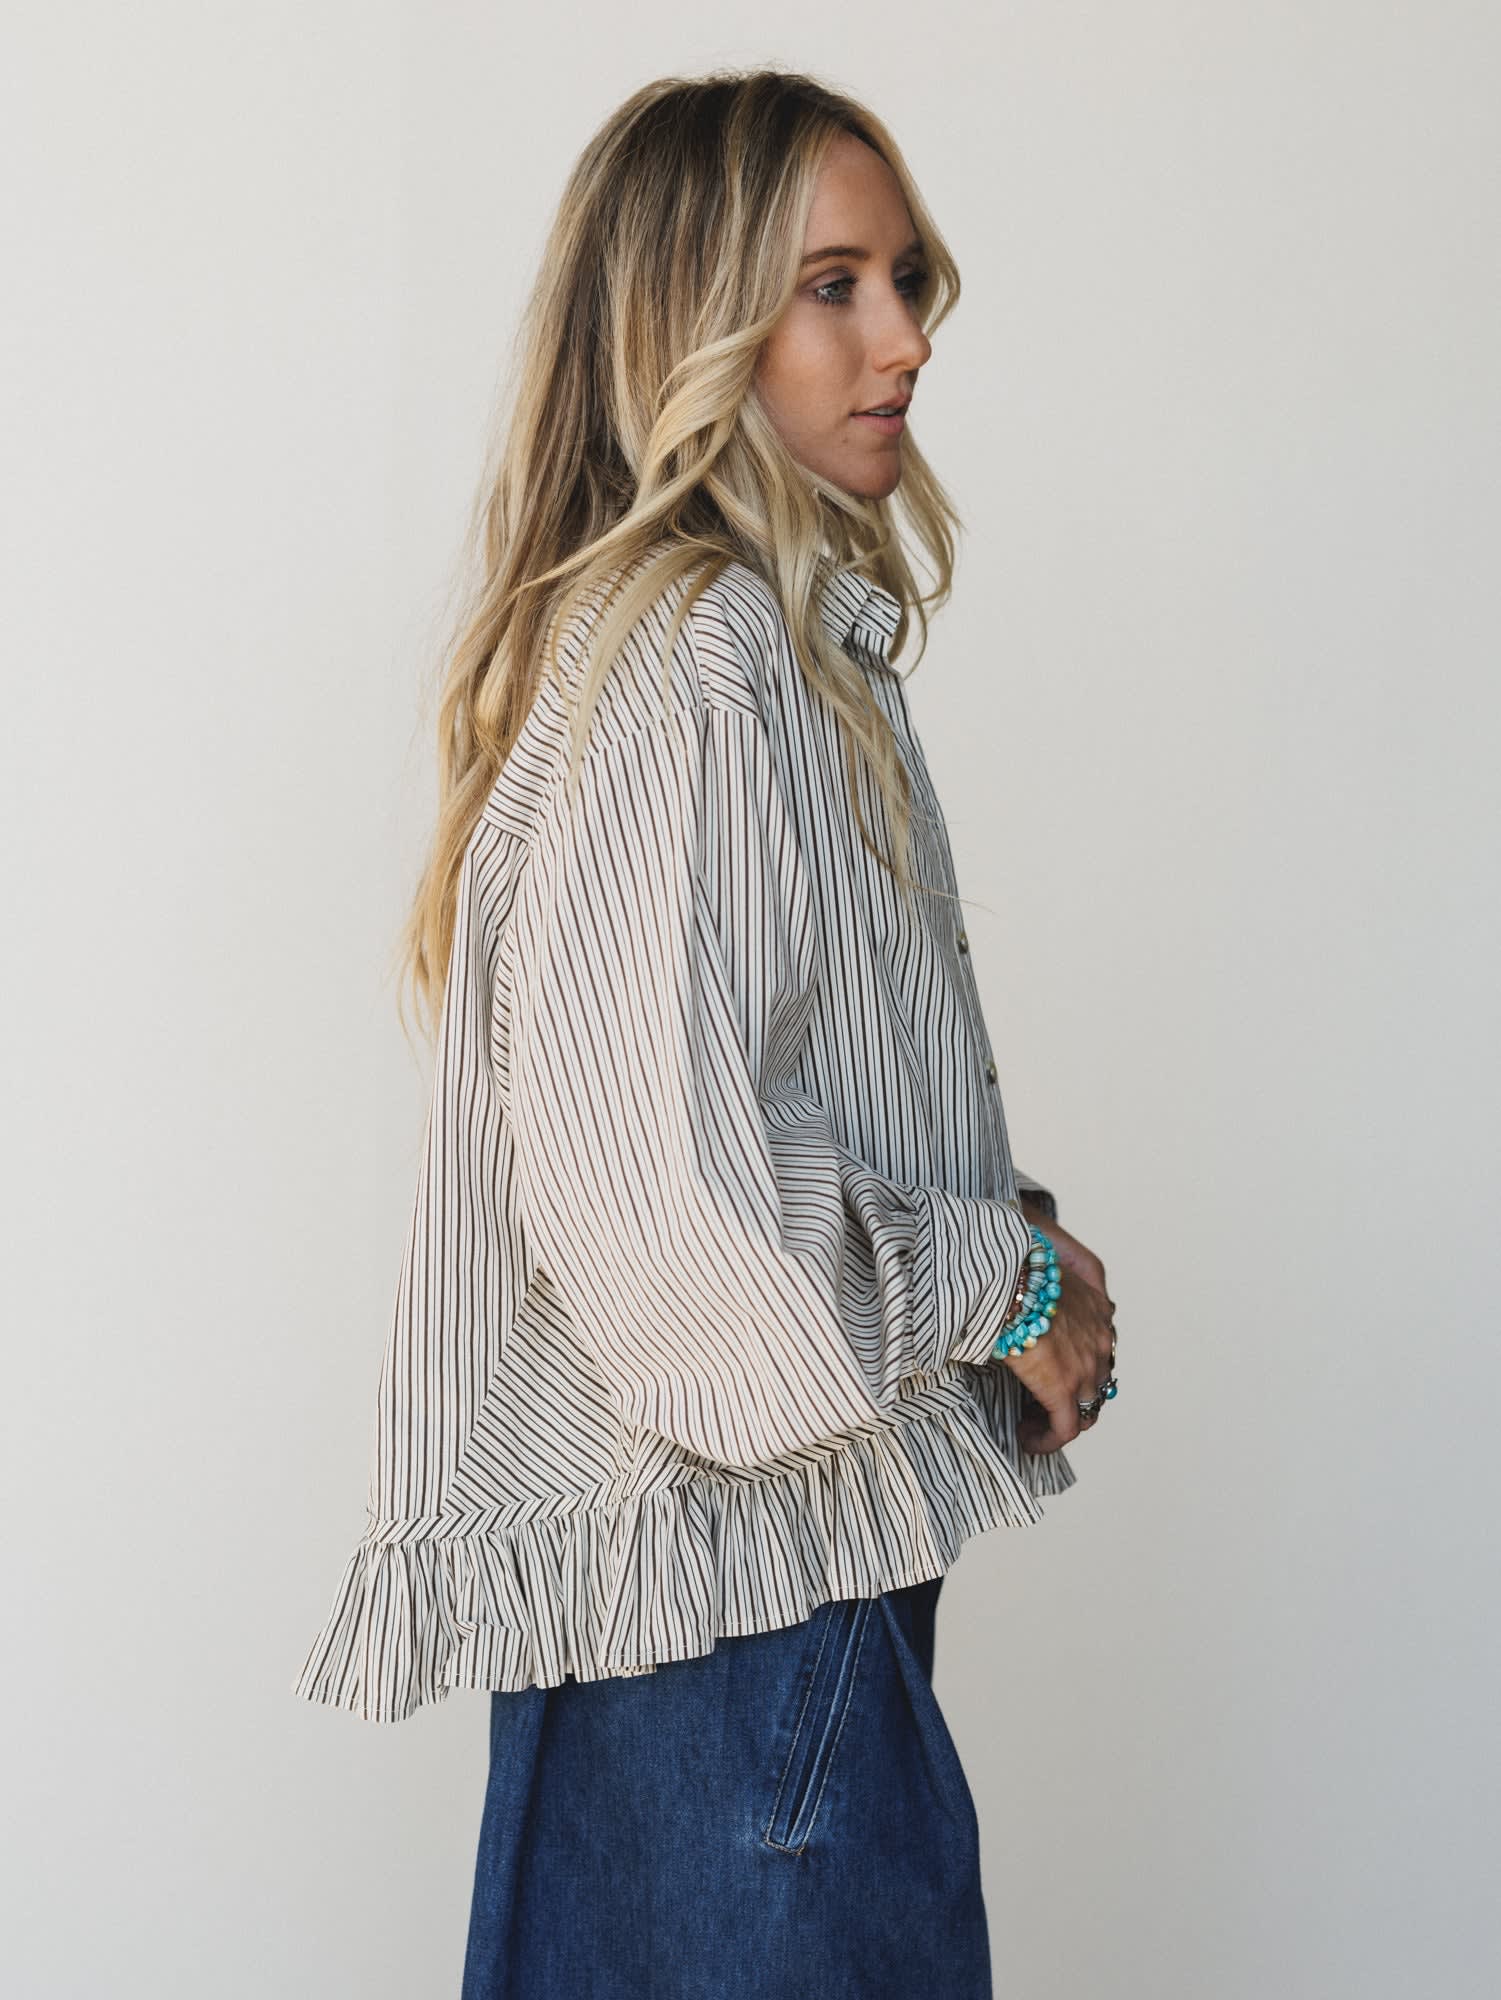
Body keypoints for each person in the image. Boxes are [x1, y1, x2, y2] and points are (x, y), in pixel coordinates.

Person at [292, 65, 1119, 1999]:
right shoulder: (694, 656)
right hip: (739, 1670)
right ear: (689, 321)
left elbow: (737, 1119)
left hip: (746, 1640)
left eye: (903, 280)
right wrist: (998, 1285)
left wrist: (1003, 1252)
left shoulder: (760, 644)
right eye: (832, 286)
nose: (904, 337)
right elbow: (678, 1216)